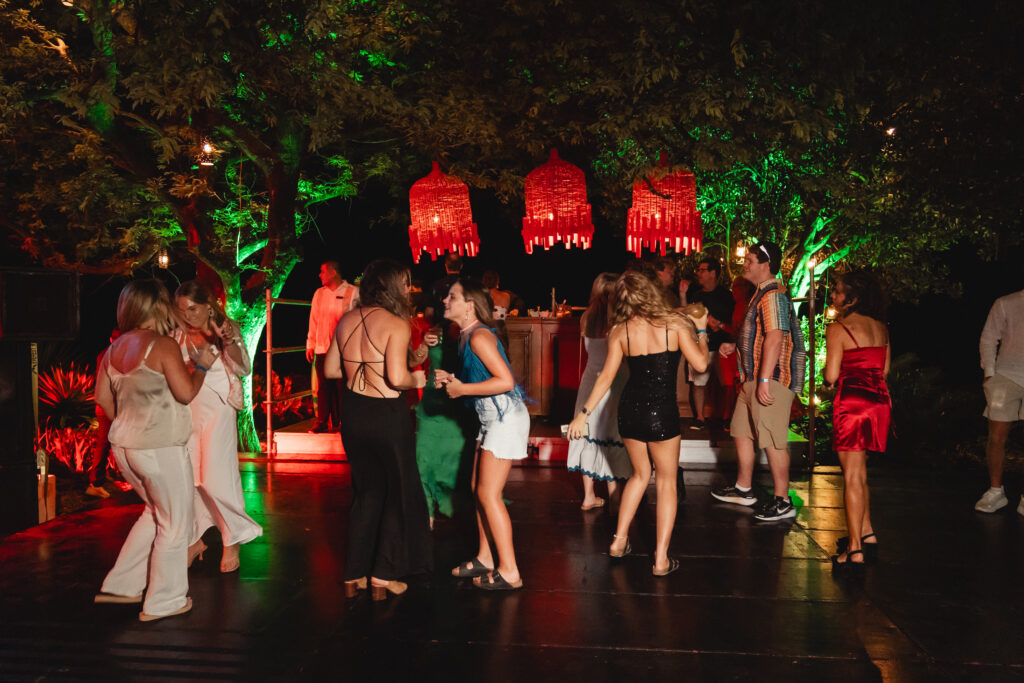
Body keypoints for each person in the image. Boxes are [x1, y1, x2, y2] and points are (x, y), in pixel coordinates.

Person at [568, 271, 709, 576]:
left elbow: (605, 378)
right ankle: (660, 560)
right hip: (662, 413)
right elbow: (700, 364)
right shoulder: (674, 324)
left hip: (630, 411)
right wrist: (701, 331)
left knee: (639, 475)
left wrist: (583, 414)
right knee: (667, 483)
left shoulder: (620, 331)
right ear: (650, 293)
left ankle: (619, 542)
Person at [93, 279, 215, 621]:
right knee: (176, 522)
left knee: (155, 513)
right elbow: (186, 392)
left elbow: (103, 400)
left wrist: (130, 425)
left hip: (125, 448)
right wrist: (202, 365)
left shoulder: (113, 350)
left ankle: (121, 586)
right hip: (160, 448)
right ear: (159, 306)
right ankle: (165, 600)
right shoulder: (161, 346)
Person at [324, 259, 431, 600]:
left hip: (354, 415)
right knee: (398, 493)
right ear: (391, 288)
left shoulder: (346, 320)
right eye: (404, 283)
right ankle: (383, 576)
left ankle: (353, 575)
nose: (409, 289)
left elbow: (330, 371)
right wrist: (418, 379)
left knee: (366, 494)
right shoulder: (396, 323)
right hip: (387, 416)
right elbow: (398, 378)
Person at [436, 278, 530, 591]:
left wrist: (461, 388)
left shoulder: (478, 336)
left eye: (452, 297)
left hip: (505, 417)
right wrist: (452, 379)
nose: (445, 301)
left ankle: (510, 571)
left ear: (470, 305)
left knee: (489, 494)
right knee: (479, 488)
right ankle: (486, 558)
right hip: (492, 418)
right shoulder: (465, 334)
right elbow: (482, 376)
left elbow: (505, 381)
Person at [711, 241, 806, 521]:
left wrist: (765, 378)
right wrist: (735, 346)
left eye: (750, 260)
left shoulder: (773, 295)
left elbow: (775, 338)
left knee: (773, 440)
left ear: (766, 264)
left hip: (771, 379)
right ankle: (743, 488)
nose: (745, 265)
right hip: (752, 378)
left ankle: (783, 500)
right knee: (741, 430)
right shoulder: (759, 295)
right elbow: (759, 335)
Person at [174, 281, 263, 573]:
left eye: (193, 308)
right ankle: (195, 539)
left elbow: (244, 368)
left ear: (208, 306)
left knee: (216, 475)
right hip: (188, 408)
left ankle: (232, 537)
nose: (187, 315)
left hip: (219, 407)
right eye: (181, 309)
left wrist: (229, 342)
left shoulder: (227, 329)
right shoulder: (176, 335)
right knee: (191, 477)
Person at [823, 272, 891, 566]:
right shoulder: (881, 328)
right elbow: (885, 371)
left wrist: (828, 385)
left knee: (850, 475)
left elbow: (831, 375)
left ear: (853, 299)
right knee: (860, 471)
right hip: (879, 401)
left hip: (851, 400)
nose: (834, 298)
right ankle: (866, 532)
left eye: (838, 293)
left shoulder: (839, 328)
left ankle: (853, 549)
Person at [567, 273, 632, 510]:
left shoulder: (586, 317)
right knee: (612, 436)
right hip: (614, 381)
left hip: (589, 380)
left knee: (587, 434)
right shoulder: (619, 320)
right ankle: (614, 493)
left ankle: (589, 495)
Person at [975, 286, 1024, 514]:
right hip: (1006, 375)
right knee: (997, 435)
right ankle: (996, 491)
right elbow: (988, 337)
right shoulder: (1006, 302)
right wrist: (990, 374)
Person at [681, 257, 735, 430]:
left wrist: (718, 325)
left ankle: (726, 418)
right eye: (699, 270)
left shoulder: (726, 295)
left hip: (723, 348)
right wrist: (683, 295)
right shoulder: (697, 295)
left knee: (726, 385)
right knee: (698, 384)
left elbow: (735, 323)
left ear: (713, 273)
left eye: (703, 270)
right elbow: (686, 317)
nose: (699, 273)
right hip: (701, 346)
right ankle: (700, 417)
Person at [306, 260, 359, 433]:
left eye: (322, 271)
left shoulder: (352, 292)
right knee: (324, 387)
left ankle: (345, 421)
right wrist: (310, 344)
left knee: (343, 386)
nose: (320, 275)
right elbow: (313, 321)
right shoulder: (319, 294)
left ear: (333, 272)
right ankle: (321, 421)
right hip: (323, 347)